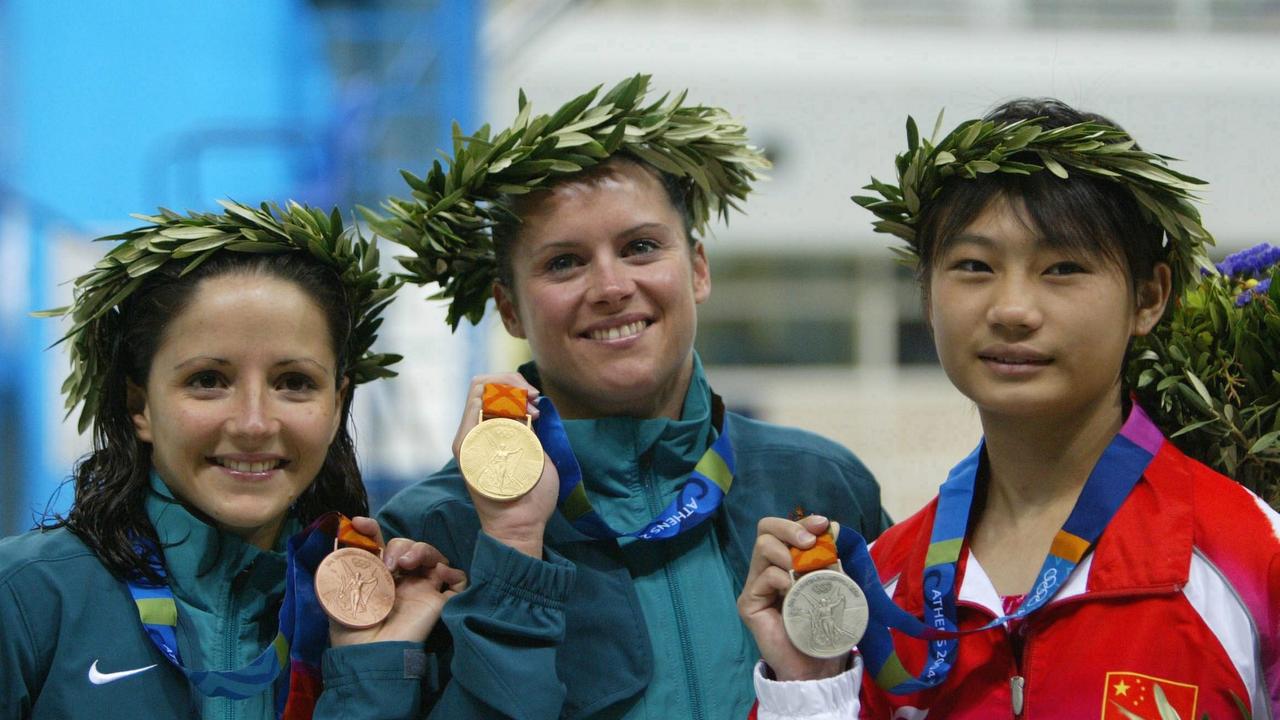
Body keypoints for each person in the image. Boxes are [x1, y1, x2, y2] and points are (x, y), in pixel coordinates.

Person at [740, 99, 1280, 719]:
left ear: (1149, 297)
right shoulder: (879, 595)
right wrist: (809, 687)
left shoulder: (1251, 563)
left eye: (1063, 268)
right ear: (927, 291)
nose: (1012, 308)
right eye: (974, 266)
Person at [373, 75, 892, 719]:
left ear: (697, 268)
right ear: (508, 307)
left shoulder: (822, 483)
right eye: (564, 262)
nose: (612, 286)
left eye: (641, 247)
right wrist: (510, 547)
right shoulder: (436, 528)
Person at [0, 201, 465, 719]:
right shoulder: (24, 599)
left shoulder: (389, 619)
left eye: (294, 383)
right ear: (140, 406)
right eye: (207, 381)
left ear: (337, 406)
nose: (253, 423)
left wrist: (374, 670)